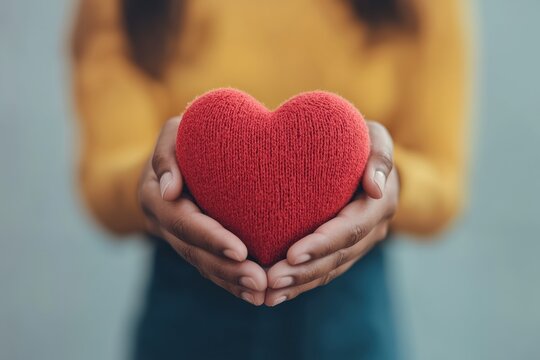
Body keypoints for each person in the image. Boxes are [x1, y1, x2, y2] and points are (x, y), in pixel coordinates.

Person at [71, 0, 470, 358]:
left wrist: (385, 179)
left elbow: (443, 182)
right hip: (187, 303)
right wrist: (154, 180)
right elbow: (105, 177)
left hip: (350, 308)